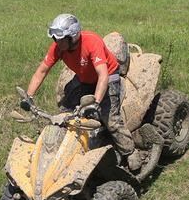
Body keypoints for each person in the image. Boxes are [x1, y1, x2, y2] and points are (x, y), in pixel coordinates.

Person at [21, 14, 142, 171]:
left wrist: (96, 103)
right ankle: (68, 145)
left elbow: (103, 75)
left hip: (108, 75)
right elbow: (42, 71)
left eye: (61, 38)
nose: (57, 42)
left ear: (73, 36)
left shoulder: (92, 42)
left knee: (110, 119)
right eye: (55, 39)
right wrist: (28, 97)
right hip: (84, 77)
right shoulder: (59, 47)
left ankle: (130, 151)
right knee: (66, 112)